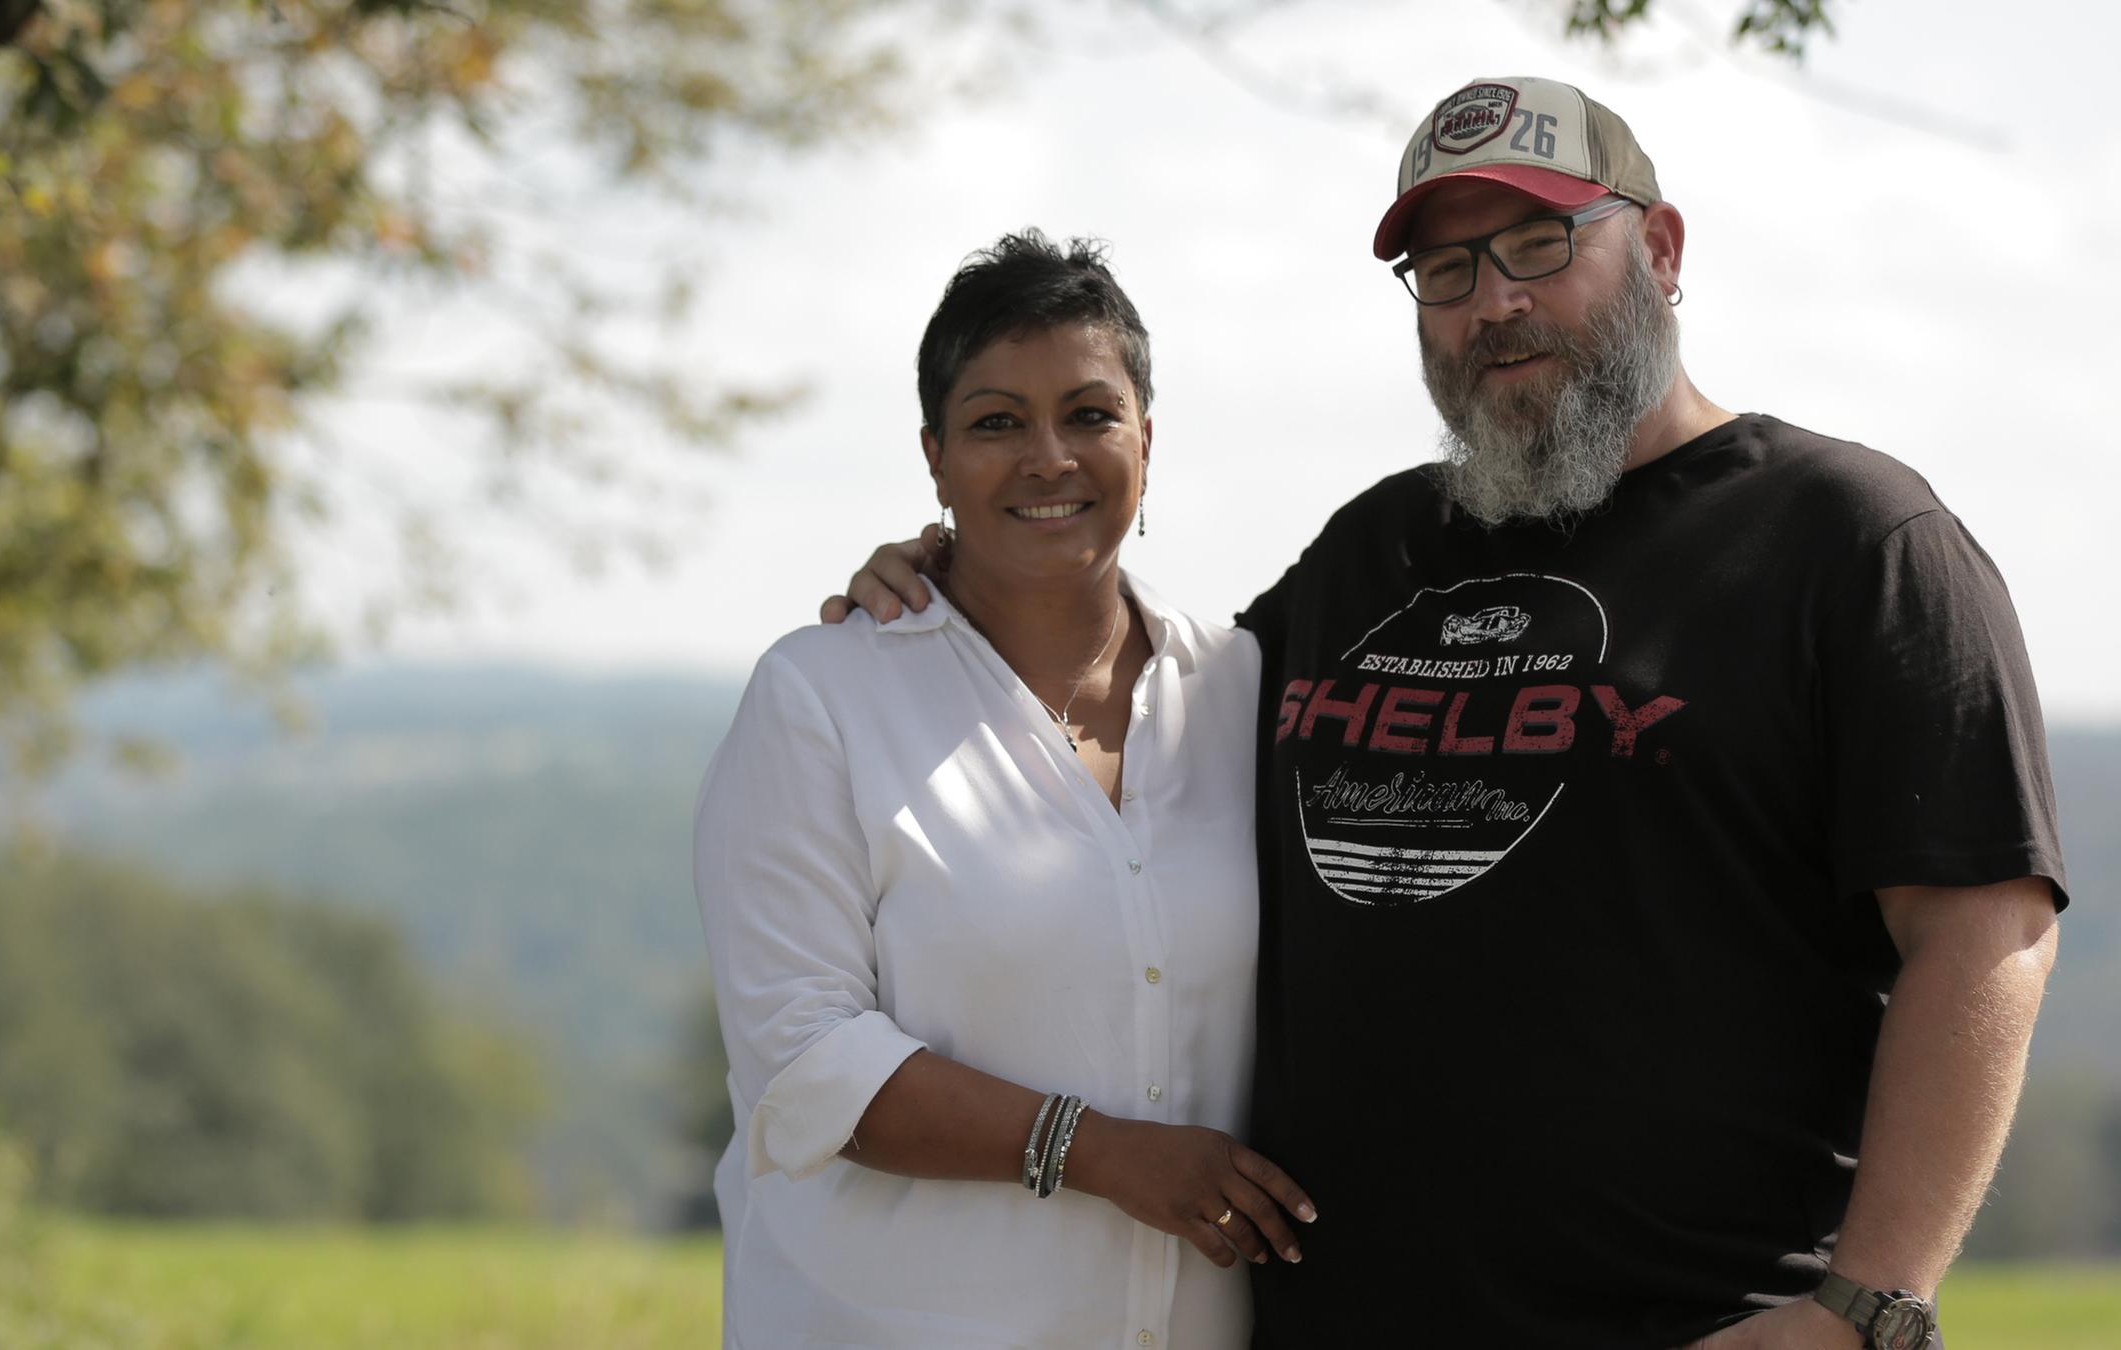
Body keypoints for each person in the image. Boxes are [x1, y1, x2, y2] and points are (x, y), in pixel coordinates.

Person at [825, 78, 2065, 1350]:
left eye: (1539, 246)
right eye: (1447, 269)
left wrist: (1867, 1305)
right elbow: (1140, 723)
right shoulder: (1378, 548)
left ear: (1661, 250)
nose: (1494, 303)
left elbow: (1986, 928)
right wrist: (965, 580)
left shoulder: (1850, 542)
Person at [694, 230, 1316, 1349]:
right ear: (934, 459)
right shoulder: (822, 697)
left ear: (1146, 439)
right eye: (996, 423)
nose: (1048, 457)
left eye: (1089, 414)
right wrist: (1102, 1154)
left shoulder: (1245, 691)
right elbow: (805, 1061)